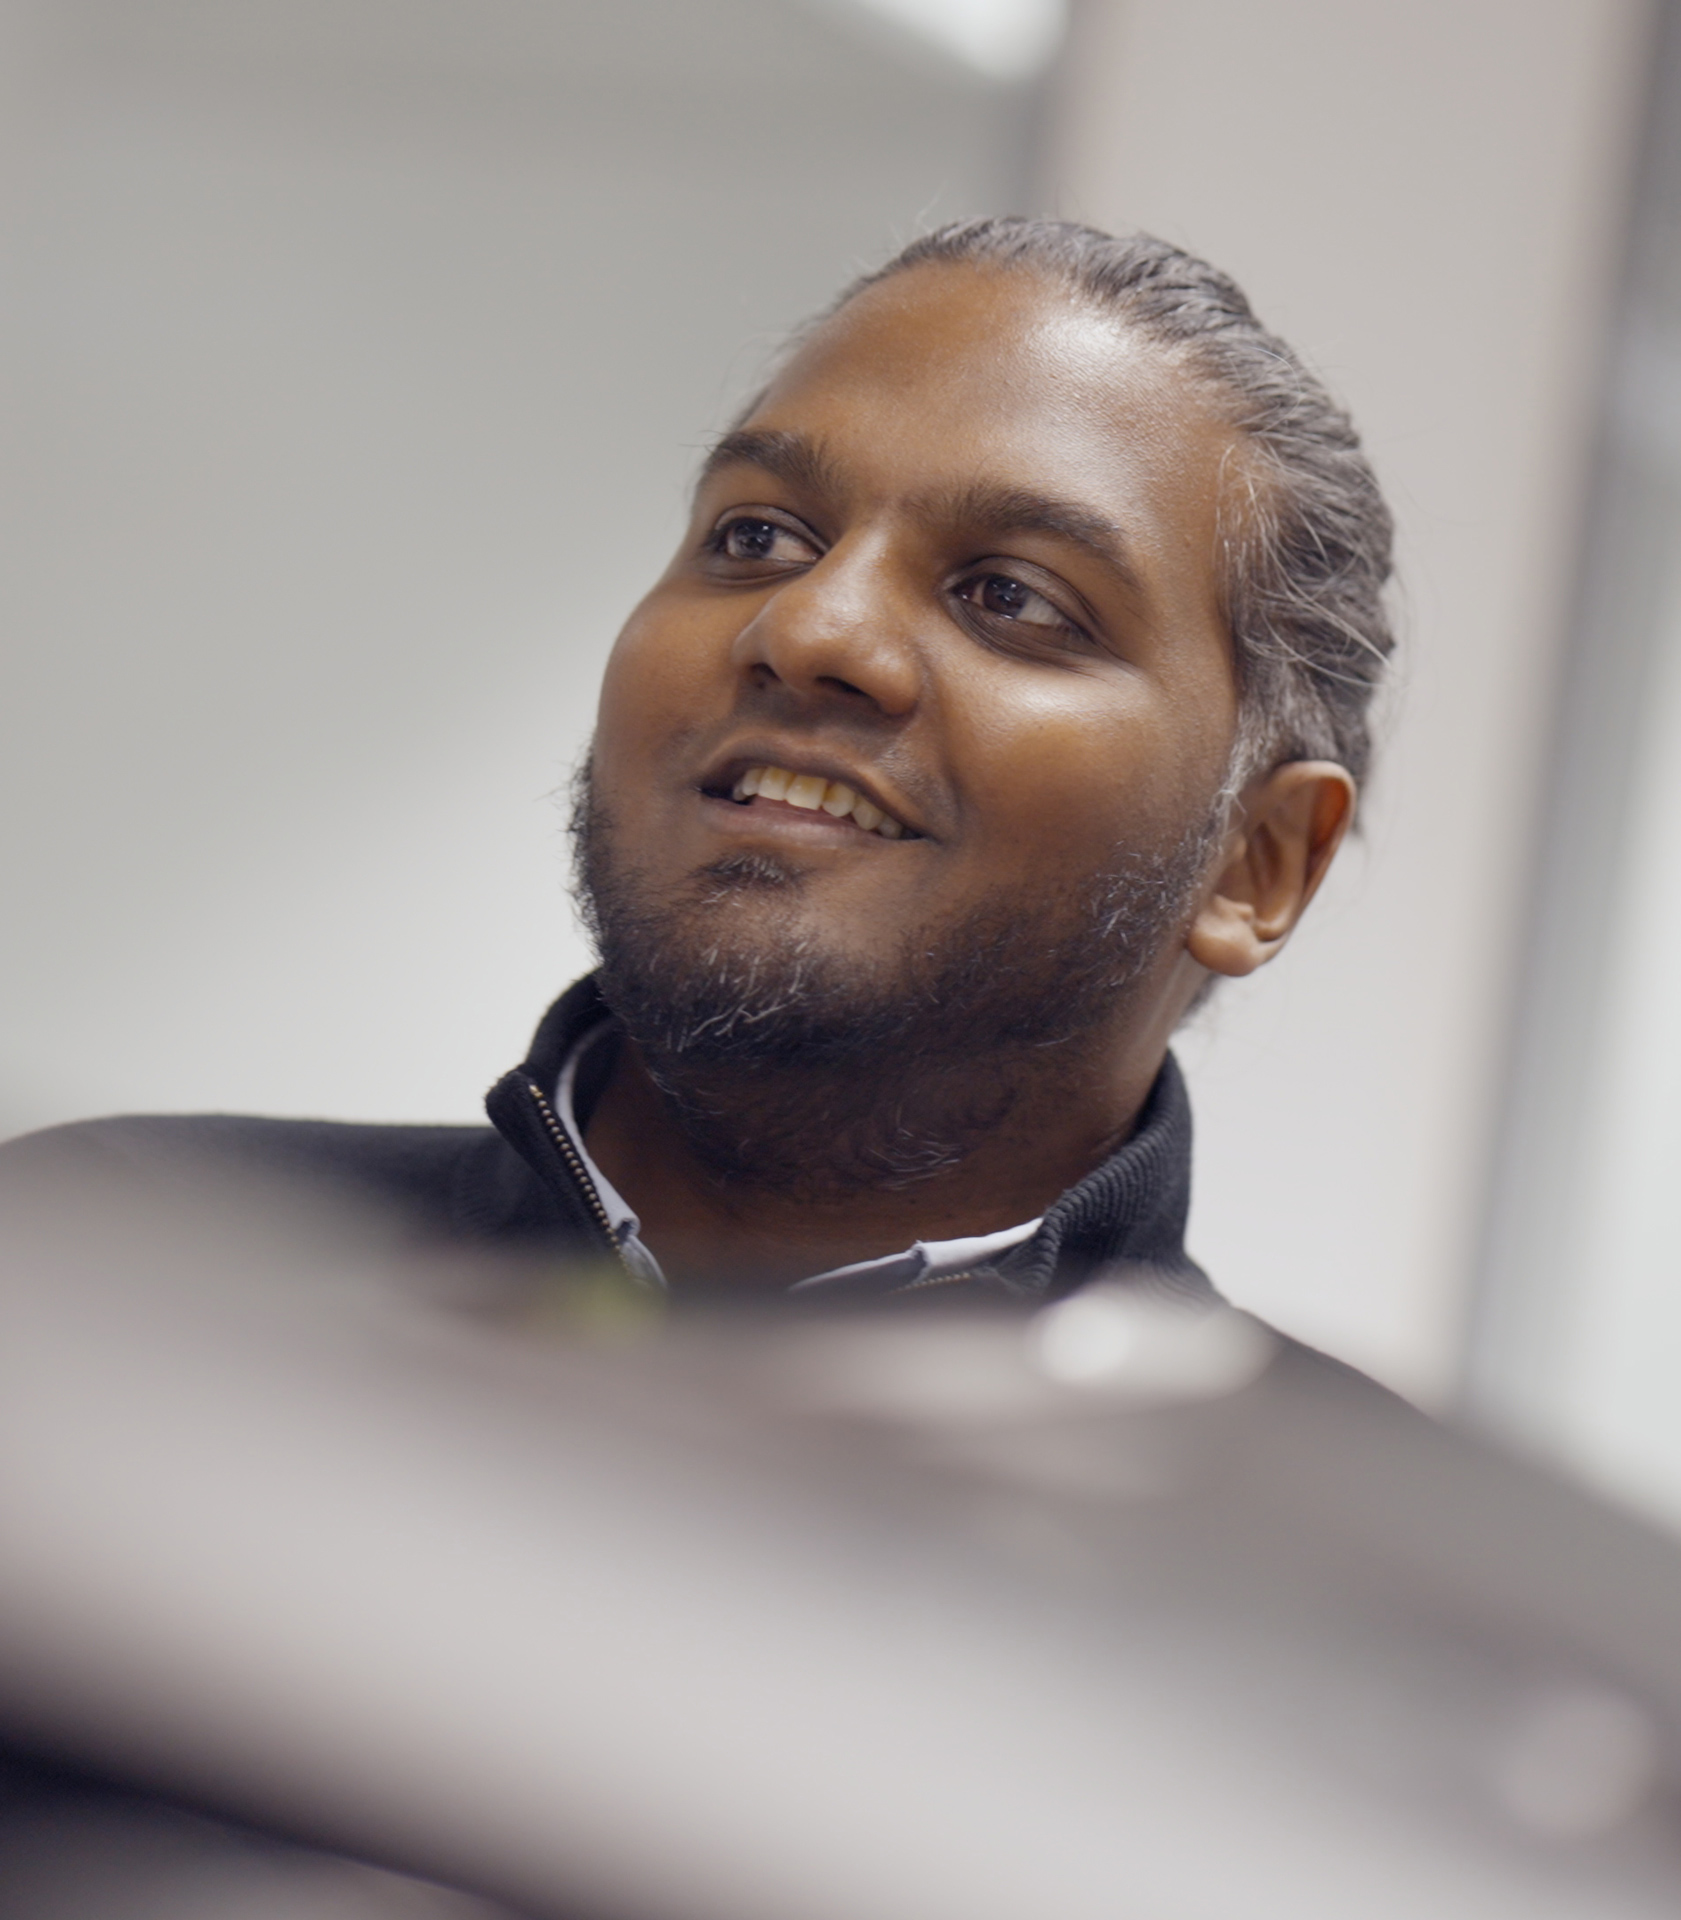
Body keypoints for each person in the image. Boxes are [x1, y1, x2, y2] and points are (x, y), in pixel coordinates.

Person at [4, 217, 1394, 1320]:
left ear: (1256, 864)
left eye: (1010, 597)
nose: (809, 628)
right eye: (756, 537)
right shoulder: (93, 1281)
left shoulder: (1311, 1564)